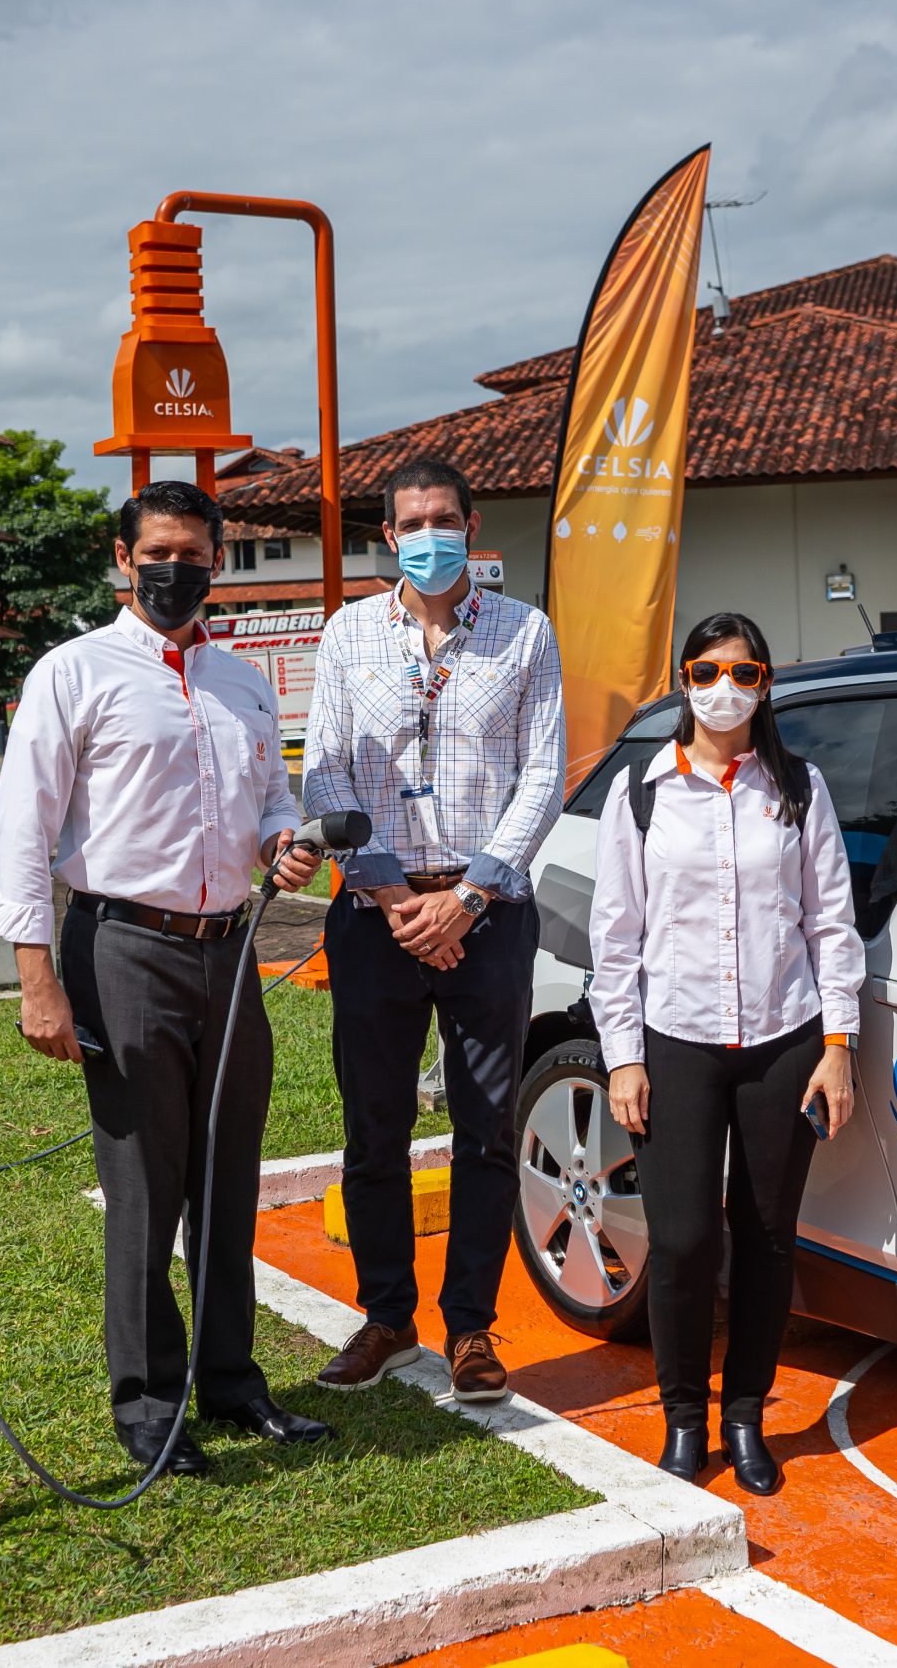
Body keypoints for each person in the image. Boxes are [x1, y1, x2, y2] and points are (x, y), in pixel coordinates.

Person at [0, 479, 332, 1477]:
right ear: (121, 560)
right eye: (156, 555)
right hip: (122, 949)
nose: (174, 571)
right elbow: (24, 828)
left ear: (217, 562)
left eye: (193, 554)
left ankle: (231, 1382)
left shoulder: (243, 682)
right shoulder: (72, 673)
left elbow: (271, 789)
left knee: (229, 1177)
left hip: (230, 952)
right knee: (144, 1184)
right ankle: (147, 1406)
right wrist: (34, 976)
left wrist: (281, 838)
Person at [302, 455, 565, 1404]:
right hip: (378, 915)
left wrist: (470, 898)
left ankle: (471, 1328)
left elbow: (543, 775)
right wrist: (392, 898)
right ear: (388, 536)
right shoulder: (346, 637)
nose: (428, 535)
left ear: (472, 524)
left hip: (486, 915)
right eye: (411, 522)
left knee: (485, 1128)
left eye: (444, 518)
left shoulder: (525, 634)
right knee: (374, 1125)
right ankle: (384, 1316)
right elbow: (323, 772)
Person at [590, 612, 863, 1494]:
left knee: (768, 1235)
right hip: (675, 1041)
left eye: (744, 672)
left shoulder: (799, 785)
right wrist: (623, 1055)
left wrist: (838, 1042)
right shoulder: (642, 792)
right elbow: (617, 935)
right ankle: (683, 1417)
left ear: (766, 683)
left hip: (784, 1041)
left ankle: (745, 1414)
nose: (725, 688)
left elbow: (829, 920)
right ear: (683, 679)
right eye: (708, 670)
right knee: (681, 1240)